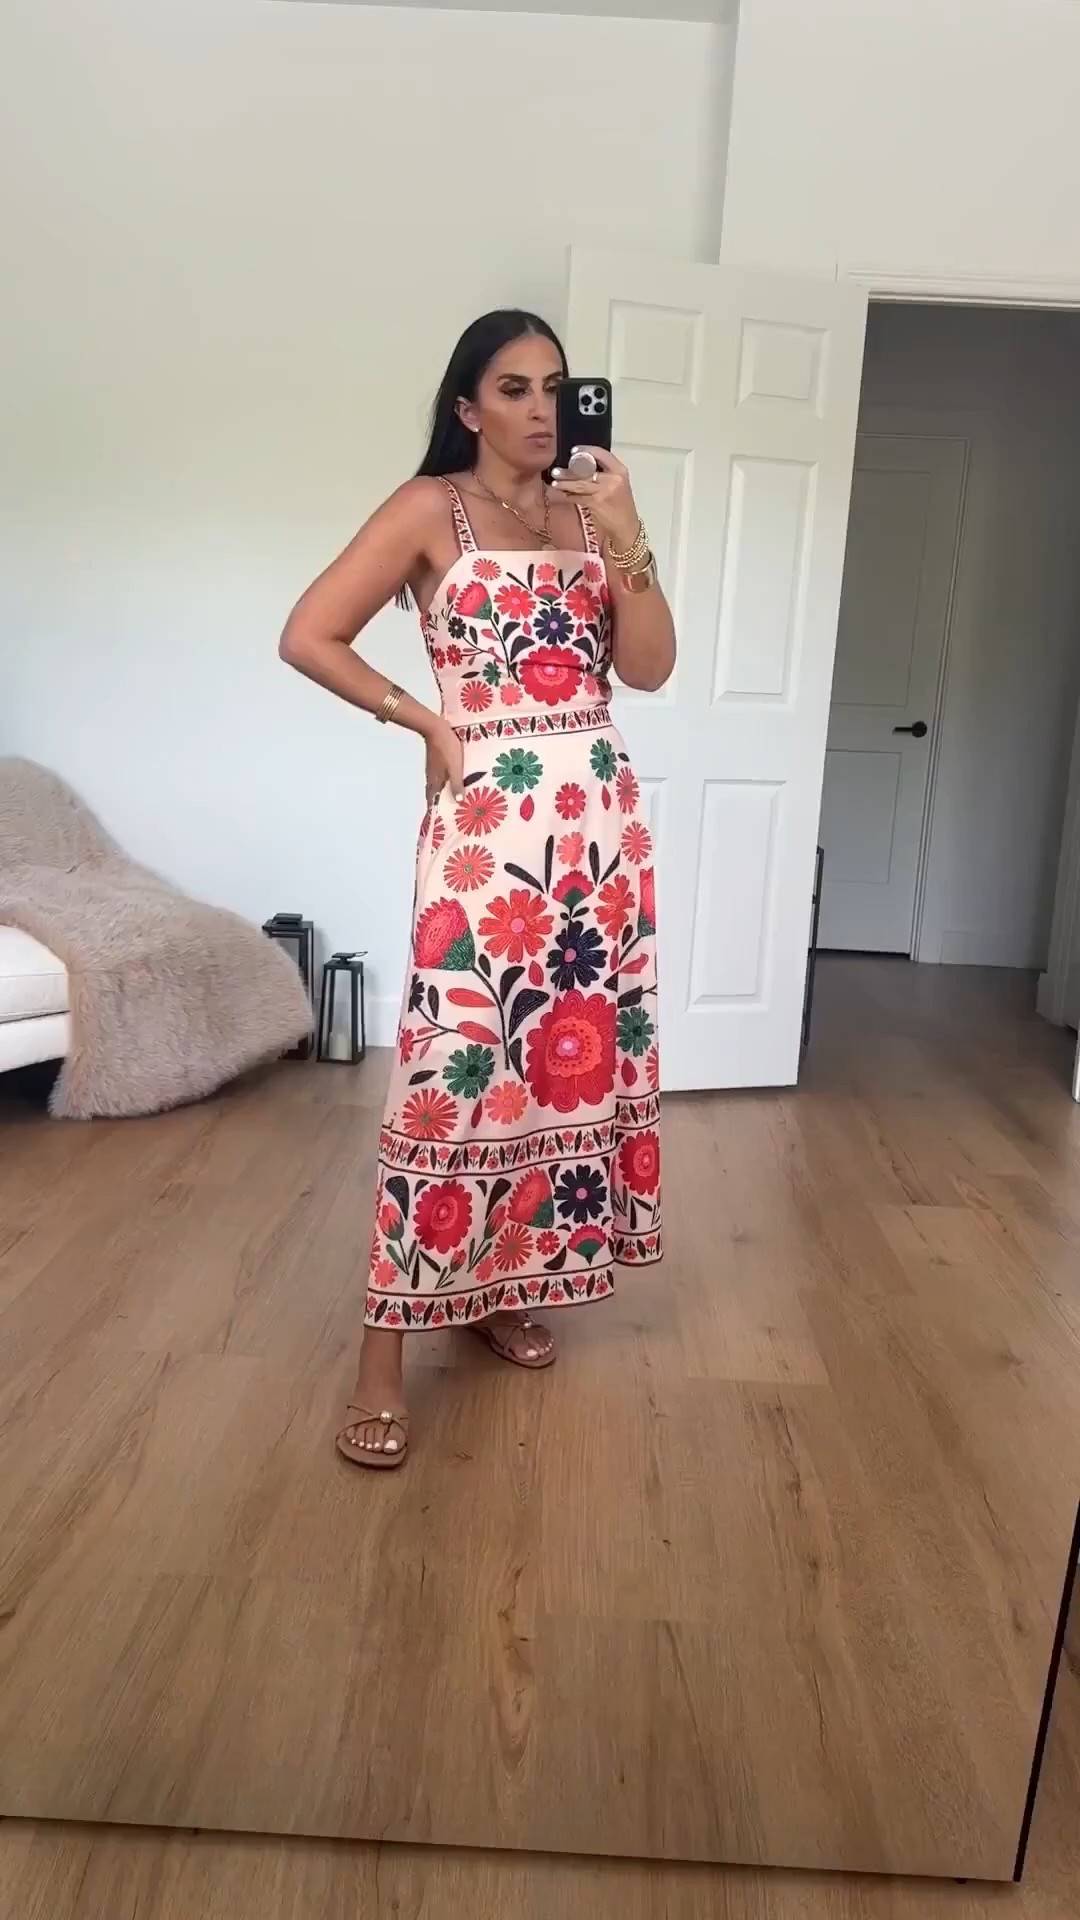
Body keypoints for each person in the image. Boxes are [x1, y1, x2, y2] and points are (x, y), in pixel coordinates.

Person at [280, 310, 675, 1469]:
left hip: (599, 833)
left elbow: (649, 667)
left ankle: (499, 1290)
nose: (542, 408)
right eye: (514, 388)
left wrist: (628, 534)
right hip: (488, 837)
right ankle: (382, 1364)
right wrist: (426, 721)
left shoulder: (593, 512)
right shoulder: (429, 509)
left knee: (555, 1067)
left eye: (557, 386)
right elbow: (310, 634)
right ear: (468, 407)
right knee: (454, 1077)